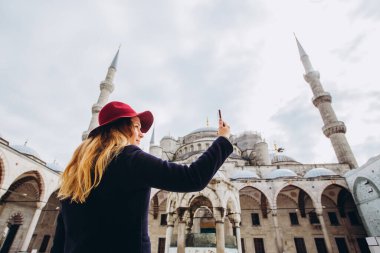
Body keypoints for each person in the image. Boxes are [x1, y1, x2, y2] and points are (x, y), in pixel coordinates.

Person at [51, 101, 232, 253]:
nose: (142, 133)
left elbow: (60, 239)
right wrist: (223, 140)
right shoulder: (129, 158)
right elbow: (192, 177)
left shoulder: (75, 174)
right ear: (121, 128)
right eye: (136, 126)